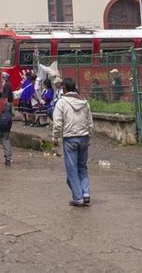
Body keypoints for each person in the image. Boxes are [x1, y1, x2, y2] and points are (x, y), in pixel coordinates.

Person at [52, 76, 94, 207]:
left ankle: (78, 198)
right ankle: (85, 193)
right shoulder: (84, 102)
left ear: (64, 88)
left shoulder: (61, 103)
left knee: (72, 169)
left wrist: (55, 137)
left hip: (70, 138)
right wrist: (89, 136)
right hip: (84, 137)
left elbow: (58, 123)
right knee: (82, 166)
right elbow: (90, 122)